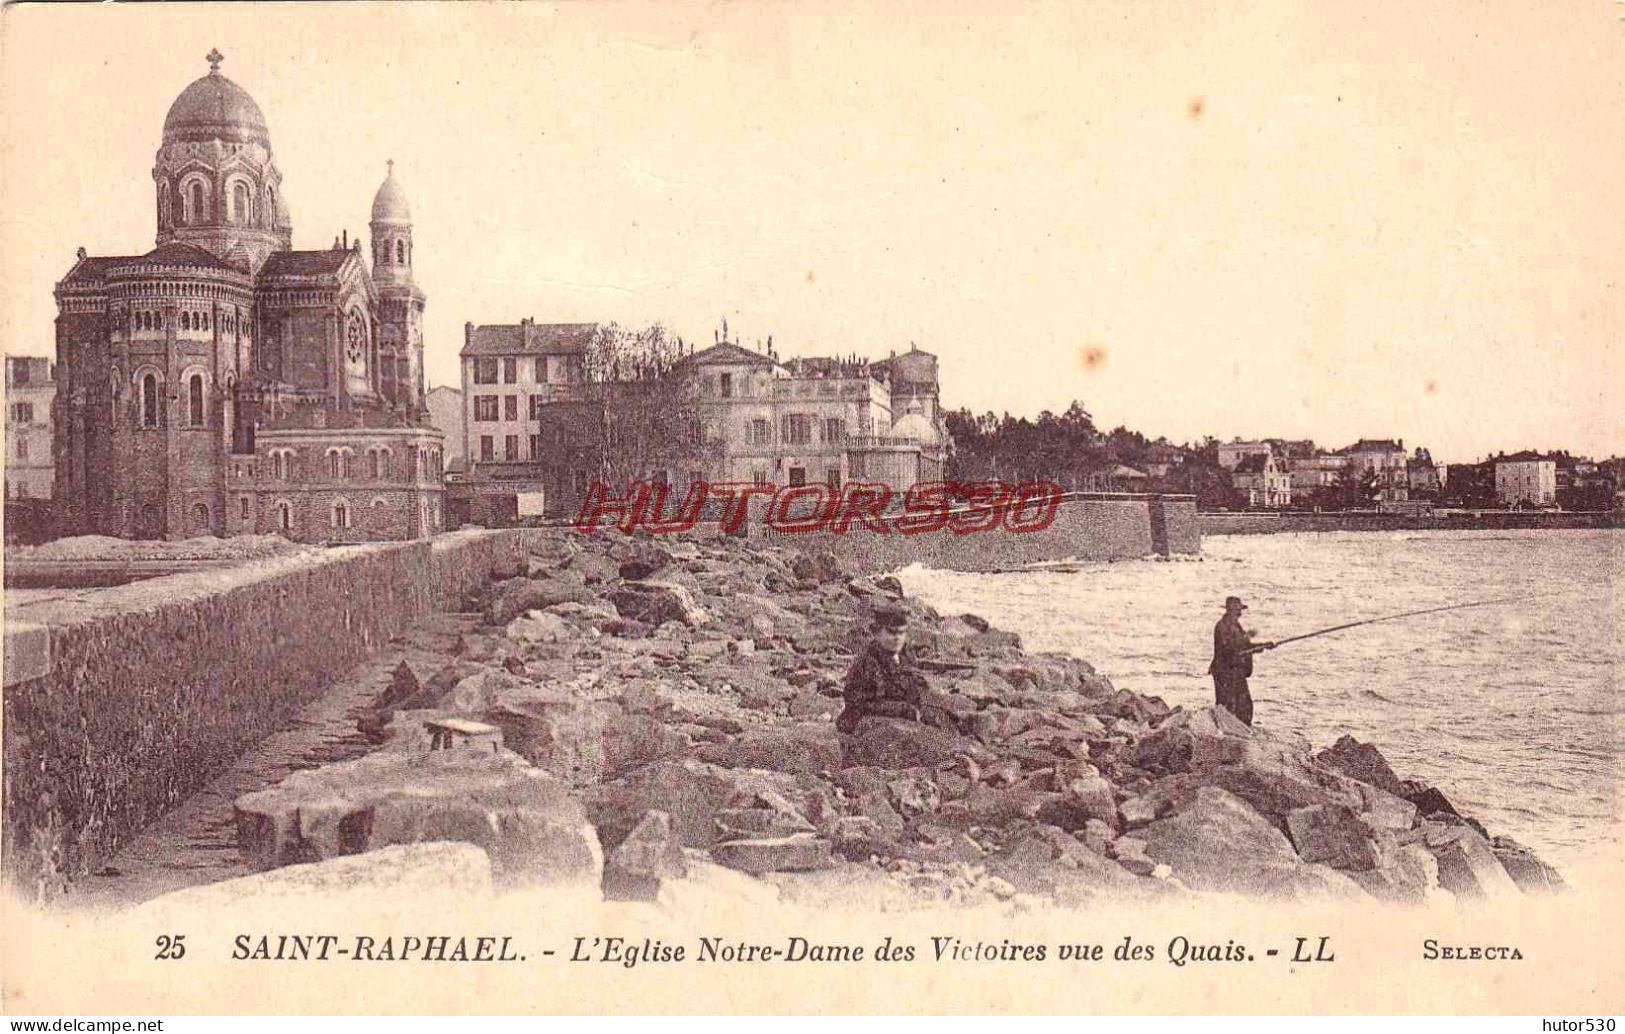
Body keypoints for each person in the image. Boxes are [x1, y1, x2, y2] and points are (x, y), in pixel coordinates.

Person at [836, 609, 932, 734]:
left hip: (903, 717)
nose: (897, 638)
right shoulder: (866, 661)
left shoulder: (907, 657)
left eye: (901, 633)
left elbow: (919, 687)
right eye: (891, 632)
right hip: (864, 723)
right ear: (877, 633)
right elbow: (856, 703)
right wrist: (900, 709)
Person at [1209, 595, 1274, 725]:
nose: (1239, 613)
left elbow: (1246, 647)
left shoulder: (1236, 626)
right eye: (1236, 610)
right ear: (1229, 610)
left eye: (1240, 610)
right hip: (1225, 672)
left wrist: (1264, 645)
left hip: (1236, 672)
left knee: (1244, 706)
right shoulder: (1221, 626)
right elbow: (1228, 647)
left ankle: (1242, 732)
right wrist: (1246, 637)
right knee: (1226, 706)